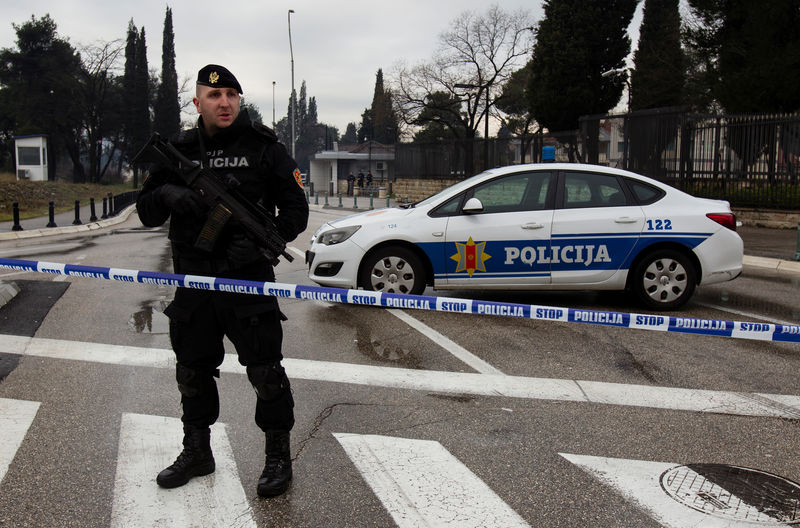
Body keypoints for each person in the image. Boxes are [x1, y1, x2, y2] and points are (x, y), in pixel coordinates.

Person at [136, 64, 308, 498]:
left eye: (232, 93)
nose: (225, 102)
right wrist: (165, 193)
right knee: (192, 371)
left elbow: (295, 212)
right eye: (214, 95)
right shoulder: (179, 150)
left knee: (266, 373)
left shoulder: (265, 148)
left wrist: (258, 246)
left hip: (248, 284)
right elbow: (146, 210)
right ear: (198, 102)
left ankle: (277, 456)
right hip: (194, 283)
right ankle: (197, 451)